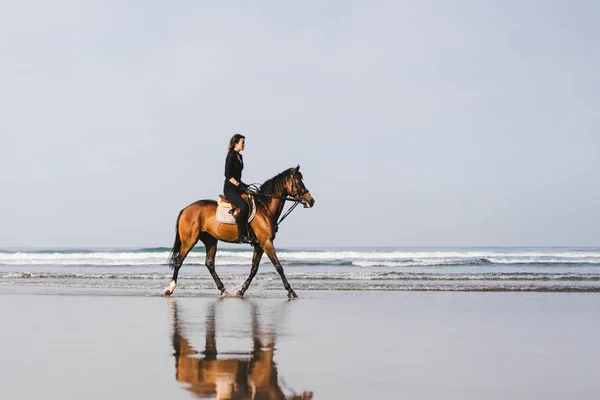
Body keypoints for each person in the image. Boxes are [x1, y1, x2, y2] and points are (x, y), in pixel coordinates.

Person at [224, 134, 253, 243]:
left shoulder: (240, 156)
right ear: (236, 143)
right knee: (243, 206)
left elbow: (238, 177)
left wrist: (245, 186)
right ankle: (242, 235)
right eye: (242, 142)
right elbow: (228, 175)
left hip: (238, 187)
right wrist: (239, 185)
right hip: (230, 189)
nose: (244, 144)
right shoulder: (231, 155)